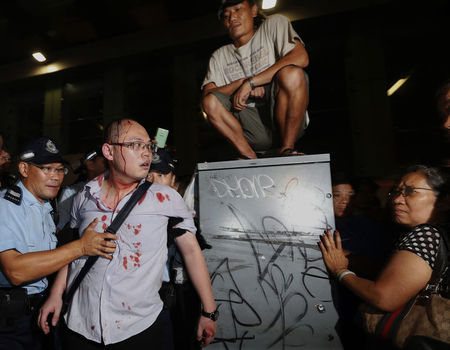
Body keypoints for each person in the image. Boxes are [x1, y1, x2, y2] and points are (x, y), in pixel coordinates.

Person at [39, 119, 217, 349]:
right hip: (80, 325)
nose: (146, 154)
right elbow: (73, 251)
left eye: (148, 146)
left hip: (140, 328)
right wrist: (56, 294)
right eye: (135, 145)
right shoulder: (84, 196)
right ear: (109, 151)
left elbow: (192, 253)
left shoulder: (164, 199)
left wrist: (209, 311)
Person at [0, 137, 117, 350]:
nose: (56, 177)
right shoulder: (5, 206)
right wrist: (80, 247)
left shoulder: (45, 208)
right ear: (24, 169)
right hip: (10, 323)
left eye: (60, 169)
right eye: (47, 169)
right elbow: (15, 271)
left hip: (40, 310)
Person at [320, 165, 449, 348]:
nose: (397, 199)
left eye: (410, 192)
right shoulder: (439, 232)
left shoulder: (426, 234)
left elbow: (384, 297)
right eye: (397, 192)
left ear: (443, 201)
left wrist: (340, 270)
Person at [201, 0, 309, 159]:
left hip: (285, 120)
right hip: (252, 130)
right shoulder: (219, 56)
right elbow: (207, 96)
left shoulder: (273, 25)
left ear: (253, 10)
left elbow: (301, 57)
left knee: (292, 73)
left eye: (238, 9)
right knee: (209, 101)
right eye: (226, 15)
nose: (232, 17)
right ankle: (249, 158)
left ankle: (287, 148)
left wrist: (253, 81)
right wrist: (241, 83)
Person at [57, 146, 107, 231]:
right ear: (90, 164)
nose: (110, 161)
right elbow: (61, 228)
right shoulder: (71, 192)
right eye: (104, 158)